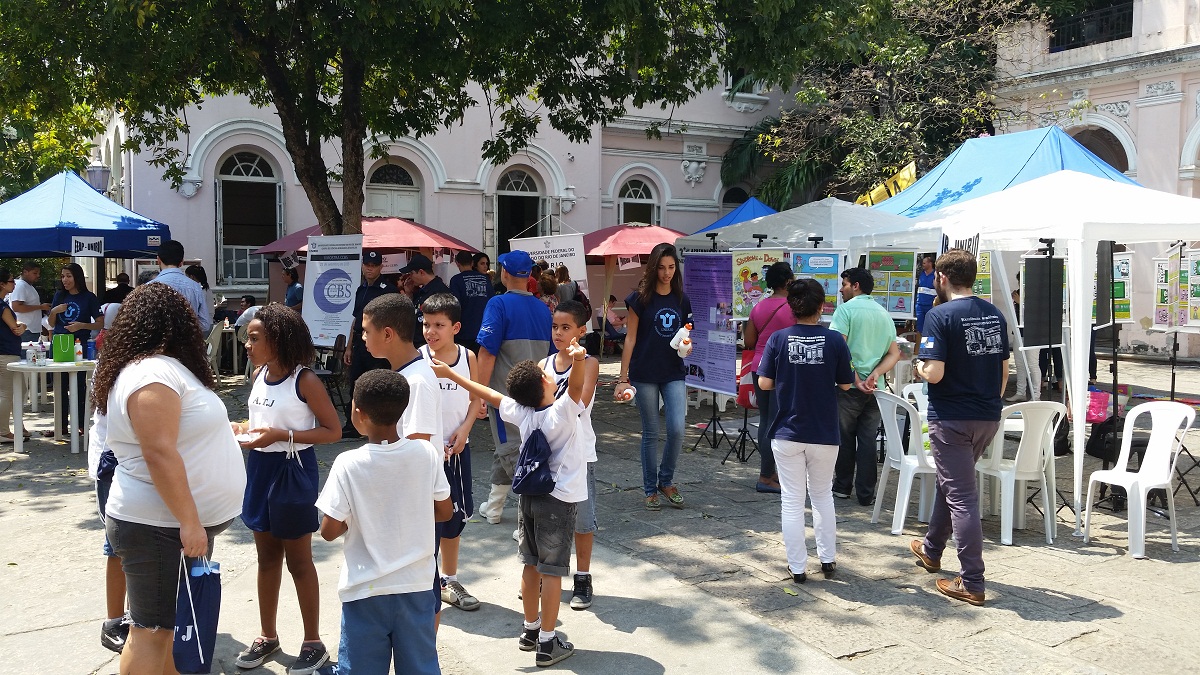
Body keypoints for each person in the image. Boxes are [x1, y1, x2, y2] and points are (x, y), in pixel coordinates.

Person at [92, 282, 246, 674]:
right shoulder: (151, 372)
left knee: (166, 632)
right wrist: (191, 521)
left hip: (170, 524)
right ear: (178, 323)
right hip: (159, 525)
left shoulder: (161, 369)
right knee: (151, 632)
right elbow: (158, 451)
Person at [430, 338, 589, 668]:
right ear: (547, 383)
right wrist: (579, 358)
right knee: (553, 571)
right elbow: (576, 385)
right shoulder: (561, 411)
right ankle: (547, 643)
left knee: (530, 564)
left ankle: (530, 629)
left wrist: (451, 374)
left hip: (529, 498)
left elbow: (489, 393)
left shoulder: (524, 412)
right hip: (558, 502)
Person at [317, 370, 452, 675]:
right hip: (416, 586)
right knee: (420, 668)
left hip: (365, 589)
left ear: (358, 413)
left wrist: (361, 517)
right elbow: (444, 511)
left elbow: (328, 530)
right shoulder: (425, 454)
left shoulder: (347, 463)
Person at [231, 304, 341, 674]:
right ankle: (267, 635)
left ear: (278, 340)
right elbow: (263, 421)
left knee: (299, 560)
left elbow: (333, 431)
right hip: (260, 468)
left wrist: (284, 436)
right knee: (266, 558)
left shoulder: (304, 380)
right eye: (248, 337)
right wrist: (242, 427)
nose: (247, 344)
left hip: (293, 470)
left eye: (255, 338)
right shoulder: (259, 374)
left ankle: (313, 642)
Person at [911, 249, 1009, 607]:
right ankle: (932, 549)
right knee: (951, 483)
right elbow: (1004, 369)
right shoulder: (994, 313)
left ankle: (972, 581)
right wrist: (992, 403)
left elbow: (934, 371)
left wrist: (919, 368)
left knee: (962, 497)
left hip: (951, 416)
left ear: (941, 278)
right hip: (987, 416)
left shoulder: (939, 315)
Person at [757, 279, 854, 584]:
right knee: (823, 495)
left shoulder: (778, 339)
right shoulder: (836, 341)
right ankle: (827, 559)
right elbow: (846, 384)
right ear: (822, 305)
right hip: (824, 432)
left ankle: (797, 567)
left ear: (792, 306)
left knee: (792, 500)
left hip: (787, 431)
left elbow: (764, 383)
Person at [475, 250, 553, 524]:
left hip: (505, 395)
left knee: (512, 450)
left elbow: (487, 353)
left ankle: (526, 519)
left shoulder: (498, 305)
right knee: (512, 448)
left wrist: (478, 394)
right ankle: (494, 507)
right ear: (530, 275)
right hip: (540, 394)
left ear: (505, 273)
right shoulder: (544, 310)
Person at [614, 243, 693, 511]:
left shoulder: (682, 299)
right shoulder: (640, 299)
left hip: (673, 371)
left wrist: (688, 346)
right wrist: (623, 377)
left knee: (677, 430)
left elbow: (685, 337)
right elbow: (631, 338)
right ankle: (650, 489)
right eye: (661, 267)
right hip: (644, 373)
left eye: (671, 267)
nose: (666, 273)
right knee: (651, 432)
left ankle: (666, 481)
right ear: (653, 267)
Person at [417, 294, 482, 613]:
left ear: (455, 327)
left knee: (455, 519)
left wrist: (465, 430)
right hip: (425, 457)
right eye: (426, 324)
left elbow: (476, 400)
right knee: (427, 520)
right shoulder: (415, 359)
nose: (431, 331)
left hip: (457, 452)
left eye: (439, 325)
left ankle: (449, 579)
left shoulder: (468, 358)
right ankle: (424, 580)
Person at [540, 300, 600, 610]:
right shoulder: (544, 364)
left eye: (566, 328)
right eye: (555, 327)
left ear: (581, 330)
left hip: (579, 453)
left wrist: (551, 401)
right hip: (548, 456)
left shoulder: (588, 363)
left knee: (583, 521)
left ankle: (583, 577)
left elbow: (579, 403)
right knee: (547, 519)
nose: (559, 333)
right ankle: (544, 573)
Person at [829, 267, 901, 506]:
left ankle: (842, 486)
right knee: (868, 441)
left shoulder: (845, 311)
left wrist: (856, 376)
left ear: (856, 286)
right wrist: (875, 374)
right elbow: (894, 353)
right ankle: (866, 493)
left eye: (845, 284)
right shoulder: (883, 313)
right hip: (875, 388)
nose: (841, 289)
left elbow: (839, 349)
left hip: (850, 387)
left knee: (845, 438)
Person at [743, 261, 795, 494]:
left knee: (766, 419)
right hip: (782, 369)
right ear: (787, 282)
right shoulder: (793, 308)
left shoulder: (758, 307)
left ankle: (770, 472)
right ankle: (765, 476)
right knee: (777, 423)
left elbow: (749, 342)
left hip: (758, 367)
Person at [362, 293, 442, 444]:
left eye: (367, 331)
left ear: (387, 334)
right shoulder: (404, 374)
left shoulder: (417, 382)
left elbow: (418, 449)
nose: (363, 337)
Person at [340, 251, 394, 438]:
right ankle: (353, 424)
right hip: (359, 344)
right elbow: (356, 320)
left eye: (374, 265)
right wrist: (348, 347)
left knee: (376, 386)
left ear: (380, 267)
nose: (370, 268)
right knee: (356, 383)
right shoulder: (361, 289)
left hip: (377, 346)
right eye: (367, 264)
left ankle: (377, 425)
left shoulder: (388, 290)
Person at [48, 263, 102, 436]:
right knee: (60, 386)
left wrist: (82, 325)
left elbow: (100, 323)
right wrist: (55, 311)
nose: (65, 280)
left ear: (77, 277)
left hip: (79, 344)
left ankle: (80, 424)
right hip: (59, 343)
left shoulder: (89, 297)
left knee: (79, 386)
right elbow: (50, 323)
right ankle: (61, 425)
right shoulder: (59, 295)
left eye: (68, 276)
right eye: (63, 276)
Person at [149, 239, 212, 334]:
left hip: (160, 346)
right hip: (187, 345)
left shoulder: (149, 287)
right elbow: (205, 324)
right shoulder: (195, 287)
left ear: (158, 260)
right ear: (181, 262)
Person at [0, 270, 27, 442]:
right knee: (7, 392)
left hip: (6, 352)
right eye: (11, 281)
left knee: (20, 389)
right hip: (6, 353)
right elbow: (15, 329)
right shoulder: (2, 306)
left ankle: (18, 425)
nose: (14, 284)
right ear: (2, 284)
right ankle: (3, 432)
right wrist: (23, 325)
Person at [403, 253, 450, 348]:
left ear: (421, 272)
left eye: (411, 273)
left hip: (430, 344)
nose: (410, 277)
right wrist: (409, 294)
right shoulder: (421, 291)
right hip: (418, 342)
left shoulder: (439, 291)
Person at [449, 250, 492, 353]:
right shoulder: (485, 279)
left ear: (457, 263)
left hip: (463, 331)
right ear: (472, 263)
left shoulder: (456, 280)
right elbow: (492, 301)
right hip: (483, 330)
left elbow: (455, 305)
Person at [10, 261, 48, 342]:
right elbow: (16, 307)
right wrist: (41, 307)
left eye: (38, 273)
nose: (38, 276)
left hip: (30, 330)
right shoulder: (20, 285)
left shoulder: (27, 285)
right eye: (35, 273)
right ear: (25, 272)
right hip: (25, 330)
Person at [915, 254, 936, 336]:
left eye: (924, 263)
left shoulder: (935, 275)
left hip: (930, 306)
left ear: (930, 264)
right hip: (920, 305)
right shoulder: (920, 274)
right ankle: (919, 348)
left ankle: (927, 347)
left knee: (929, 328)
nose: (922, 265)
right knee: (919, 328)